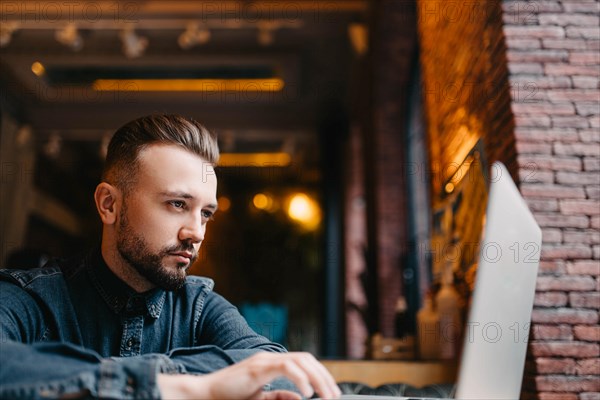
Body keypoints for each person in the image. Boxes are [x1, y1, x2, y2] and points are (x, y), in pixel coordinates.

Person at [0, 114, 341, 400]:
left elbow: (274, 368)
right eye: (177, 204)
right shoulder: (32, 300)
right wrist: (193, 388)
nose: (197, 232)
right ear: (109, 205)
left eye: (205, 213)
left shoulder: (200, 307)